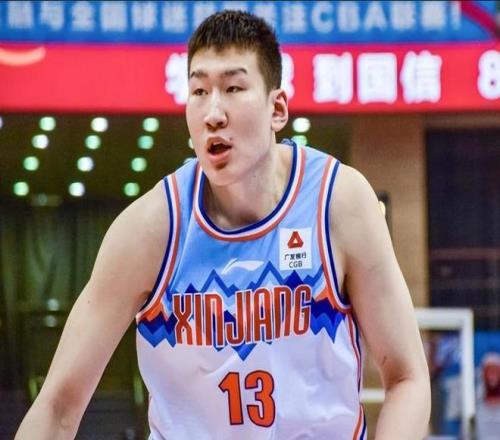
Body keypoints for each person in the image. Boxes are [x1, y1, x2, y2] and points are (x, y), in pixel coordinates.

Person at [16, 10, 430, 440]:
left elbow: (407, 377)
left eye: (233, 88)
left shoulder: (338, 202)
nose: (213, 113)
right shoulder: (149, 229)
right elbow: (58, 404)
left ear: (277, 108)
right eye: (199, 91)